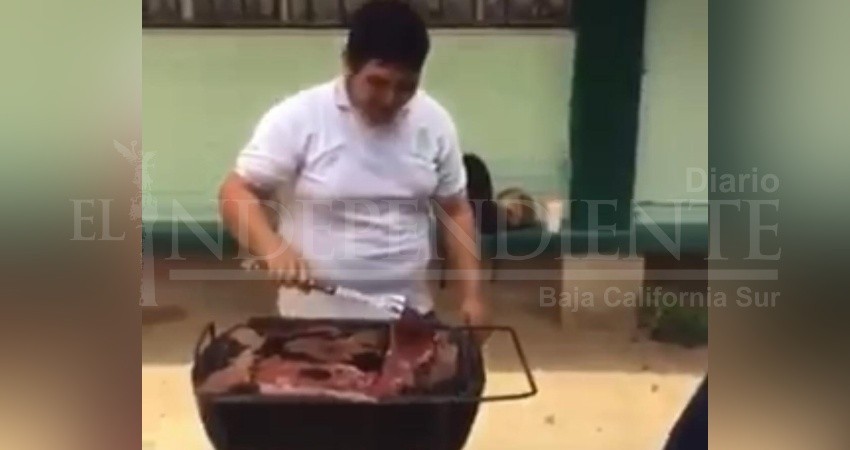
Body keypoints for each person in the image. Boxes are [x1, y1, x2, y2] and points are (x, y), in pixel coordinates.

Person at [218, 1, 488, 335]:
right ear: (348, 64)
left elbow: (456, 209)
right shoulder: (300, 117)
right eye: (377, 82)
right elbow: (235, 191)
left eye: (406, 87)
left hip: (408, 314)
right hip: (314, 319)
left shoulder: (433, 122)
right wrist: (271, 247)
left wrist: (471, 296)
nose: (390, 99)